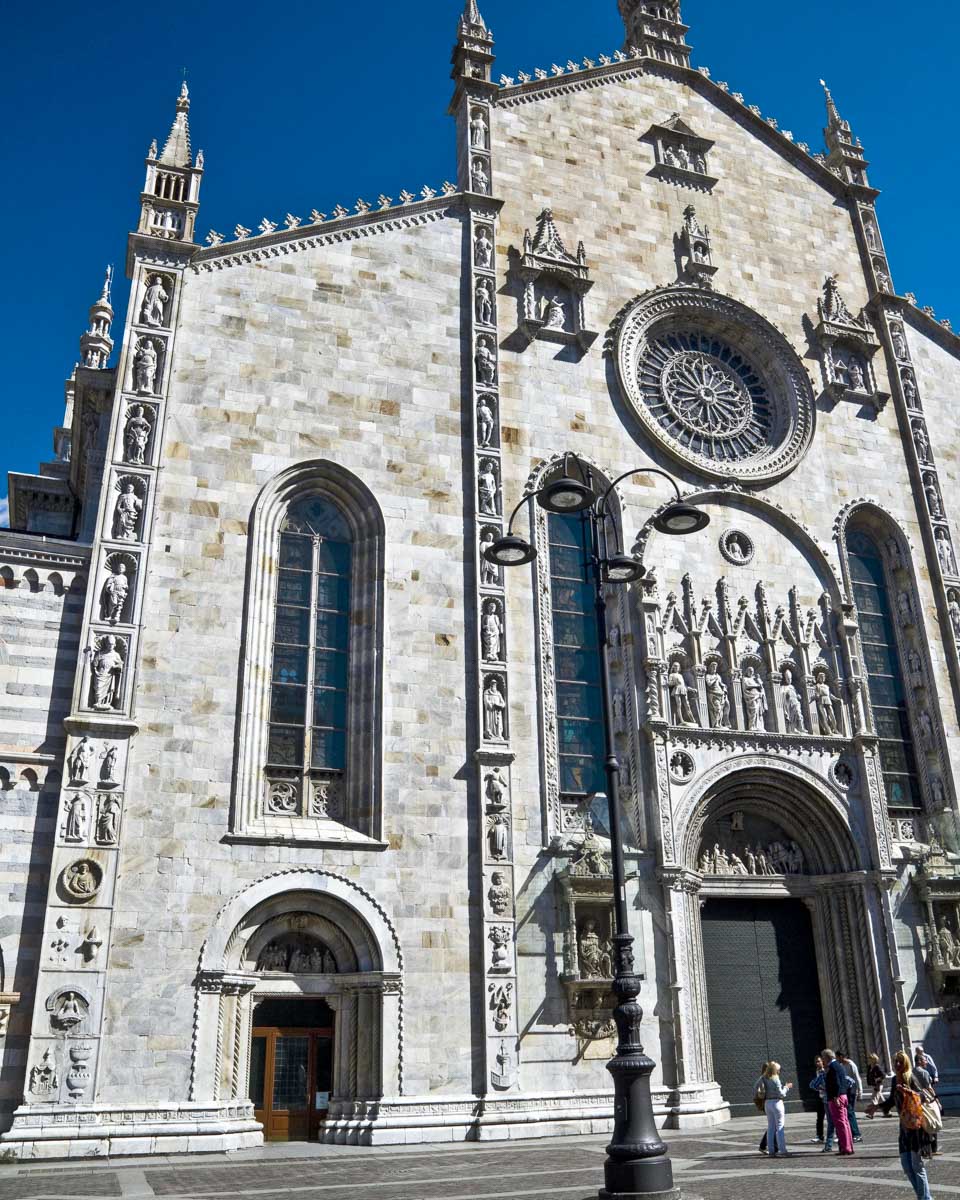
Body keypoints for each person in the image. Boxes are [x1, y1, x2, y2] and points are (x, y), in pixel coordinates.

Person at [872, 1050, 936, 1200]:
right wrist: (876, 1107)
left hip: (916, 1129)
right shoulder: (895, 1080)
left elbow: (925, 1097)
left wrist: (909, 1092)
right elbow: (891, 1100)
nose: (897, 1064)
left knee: (917, 1167)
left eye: (900, 1061)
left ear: (906, 1063)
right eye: (895, 1061)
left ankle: (926, 1198)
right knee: (907, 1167)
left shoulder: (911, 1077)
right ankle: (923, 1197)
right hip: (904, 1129)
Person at [823, 1048, 855, 1155]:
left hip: (836, 1098)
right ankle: (849, 1146)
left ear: (827, 1057)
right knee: (845, 1122)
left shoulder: (833, 1067)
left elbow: (836, 1083)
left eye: (823, 1057)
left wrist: (835, 1097)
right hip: (843, 1095)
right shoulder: (839, 1065)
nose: (823, 1060)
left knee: (840, 1123)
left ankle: (846, 1148)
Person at [761, 1061, 794, 1157]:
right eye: (779, 1070)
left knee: (770, 1127)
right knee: (780, 1127)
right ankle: (783, 1150)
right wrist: (786, 1087)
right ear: (775, 1070)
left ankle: (771, 1151)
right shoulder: (776, 1079)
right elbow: (781, 1094)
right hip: (776, 1103)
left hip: (767, 1103)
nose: (779, 1072)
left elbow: (756, 1087)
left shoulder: (763, 1077)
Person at [838, 1052, 865, 1143]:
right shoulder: (841, 1065)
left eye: (837, 1057)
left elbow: (857, 1078)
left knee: (850, 1112)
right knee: (847, 1112)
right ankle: (851, 1133)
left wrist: (860, 1092)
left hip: (852, 1091)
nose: (837, 1059)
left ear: (841, 1056)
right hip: (845, 1091)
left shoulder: (851, 1065)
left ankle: (857, 1134)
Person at [810, 1056, 828, 1144]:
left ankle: (837, 1135)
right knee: (819, 1117)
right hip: (820, 1096)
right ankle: (819, 1136)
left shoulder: (825, 1070)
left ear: (822, 1061)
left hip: (827, 1097)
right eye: (816, 1062)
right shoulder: (817, 1071)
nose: (817, 1063)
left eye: (819, 1061)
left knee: (831, 1117)